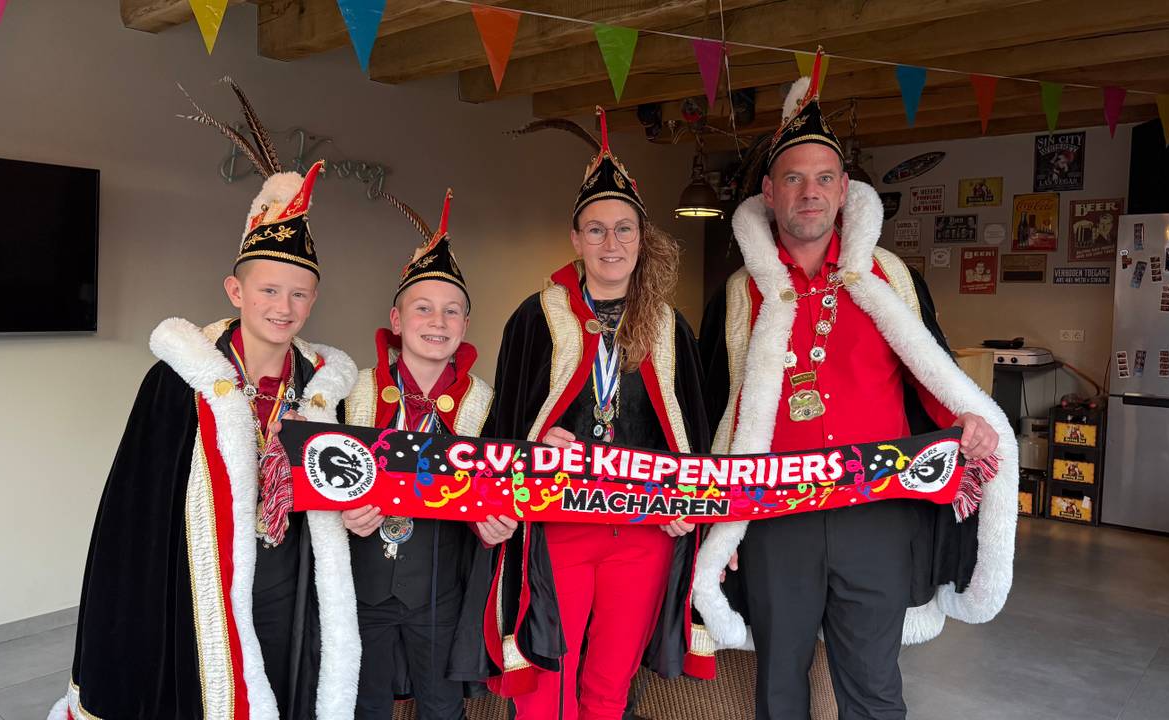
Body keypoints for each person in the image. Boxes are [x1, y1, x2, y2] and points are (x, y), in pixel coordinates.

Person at [691, 75, 1019, 720]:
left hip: (876, 512)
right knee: (779, 682)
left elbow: (933, 372)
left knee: (872, 683)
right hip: (772, 515)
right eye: (792, 178)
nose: (808, 192)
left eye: (823, 178)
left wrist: (967, 421)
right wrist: (709, 517)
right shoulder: (735, 294)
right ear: (769, 192)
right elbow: (711, 409)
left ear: (844, 190)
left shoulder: (890, 277)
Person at [51, 81, 361, 720]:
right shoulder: (183, 378)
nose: (284, 307)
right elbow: (135, 517)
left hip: (293, 582)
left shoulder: (328, 385)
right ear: (235, 291)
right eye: (269, 291)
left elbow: (356, 480)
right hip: (198, 590)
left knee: (288, 690)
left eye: (299, 294)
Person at [481, 108, 714, 719]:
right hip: (559, 525)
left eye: (623, 230)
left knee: (609, 687)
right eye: (596, 230)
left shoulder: (669, 326)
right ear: (575, 238)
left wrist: (692, 503)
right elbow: (506, 425)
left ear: (642, 238)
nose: (611, 244)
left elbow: (694, 431)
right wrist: (534, 449)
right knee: (545, 684)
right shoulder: (535, 317)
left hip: (643, 533)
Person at [338, 189, 512, 719]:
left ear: (464, 324)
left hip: (440, 588)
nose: (437, 321)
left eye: (451, 311)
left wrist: (500, 521)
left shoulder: (485, 404)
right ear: (397, 318)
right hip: (359, 585)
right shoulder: (354, 390)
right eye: (423, 308)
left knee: (441, 706)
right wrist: (340, 512)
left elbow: (505, 485)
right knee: (359, 703)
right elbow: (320, 477)